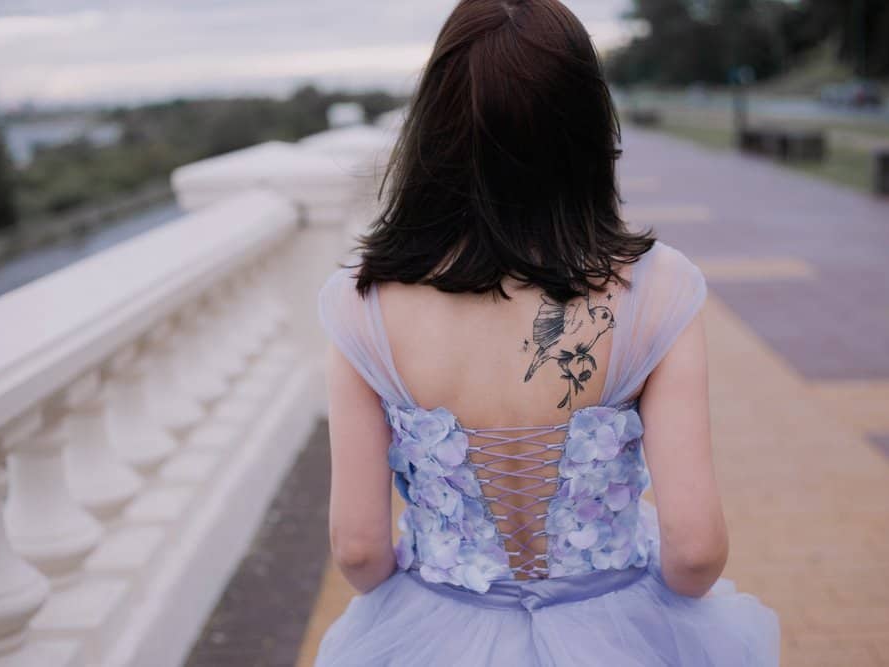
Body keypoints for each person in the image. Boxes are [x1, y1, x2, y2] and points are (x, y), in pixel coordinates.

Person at [314, 0, 780, 664]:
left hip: (435, 627)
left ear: (435, 129)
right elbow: (696, 549)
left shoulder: (362, 300)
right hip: (619, 630)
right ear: (586, 124)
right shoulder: (658, 285)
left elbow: (357, 547)